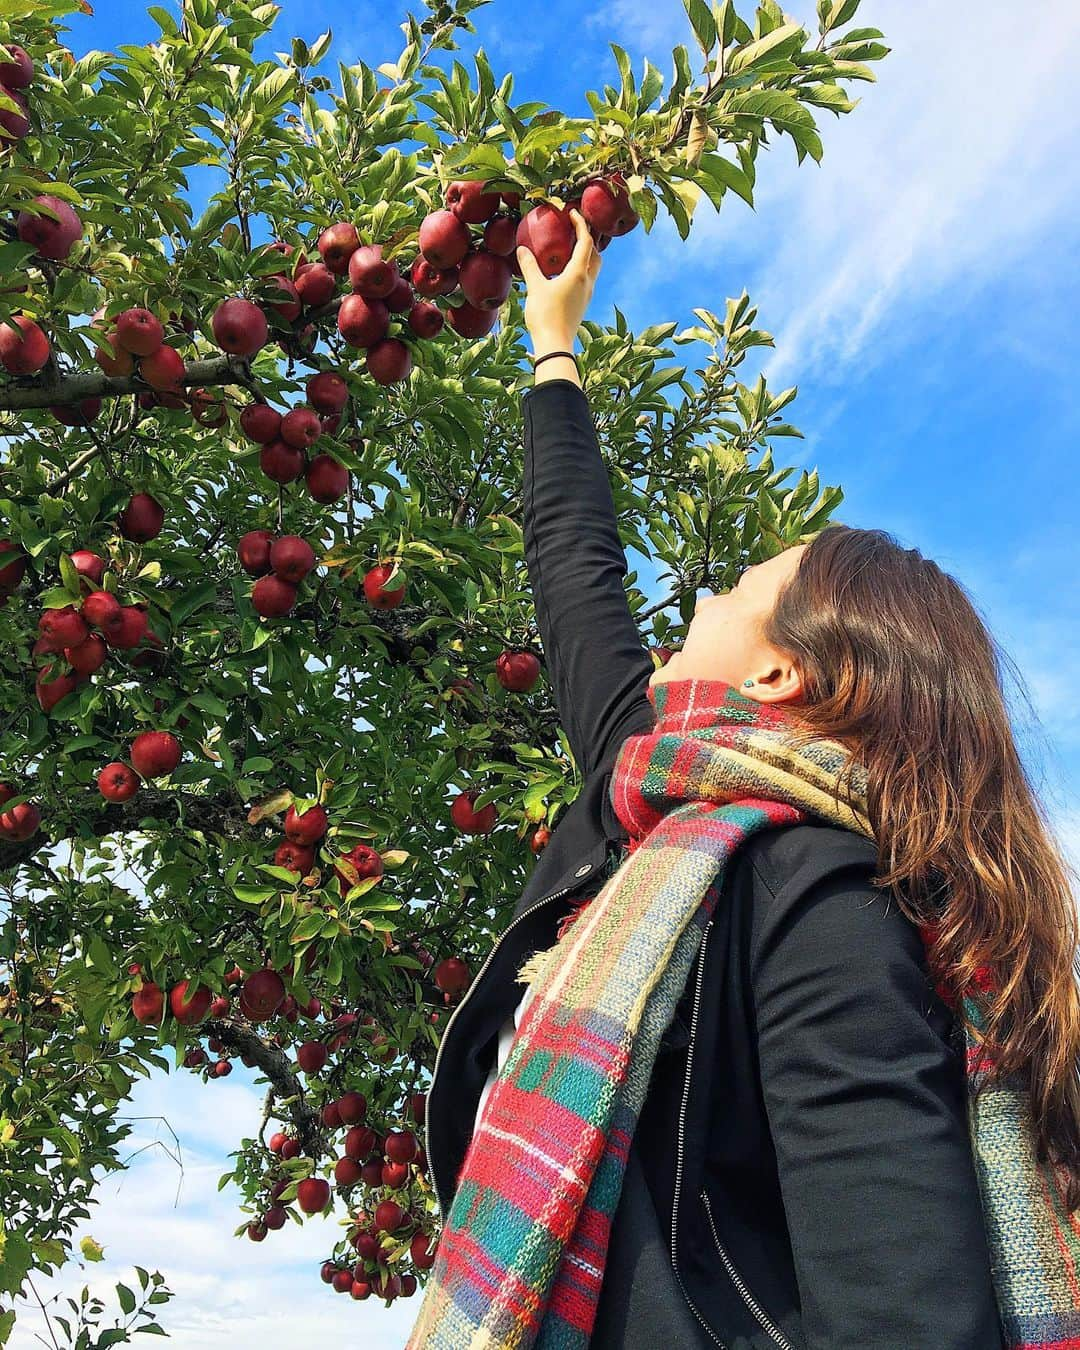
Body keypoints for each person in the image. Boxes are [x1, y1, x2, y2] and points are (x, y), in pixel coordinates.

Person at [420, 209, 1080, 1348]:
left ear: (778, 669)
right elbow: (578, 582)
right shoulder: (671, 795)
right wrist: (553, 344)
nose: (696, 602)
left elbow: (906, 1317)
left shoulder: (821, 900)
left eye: (729, 588)